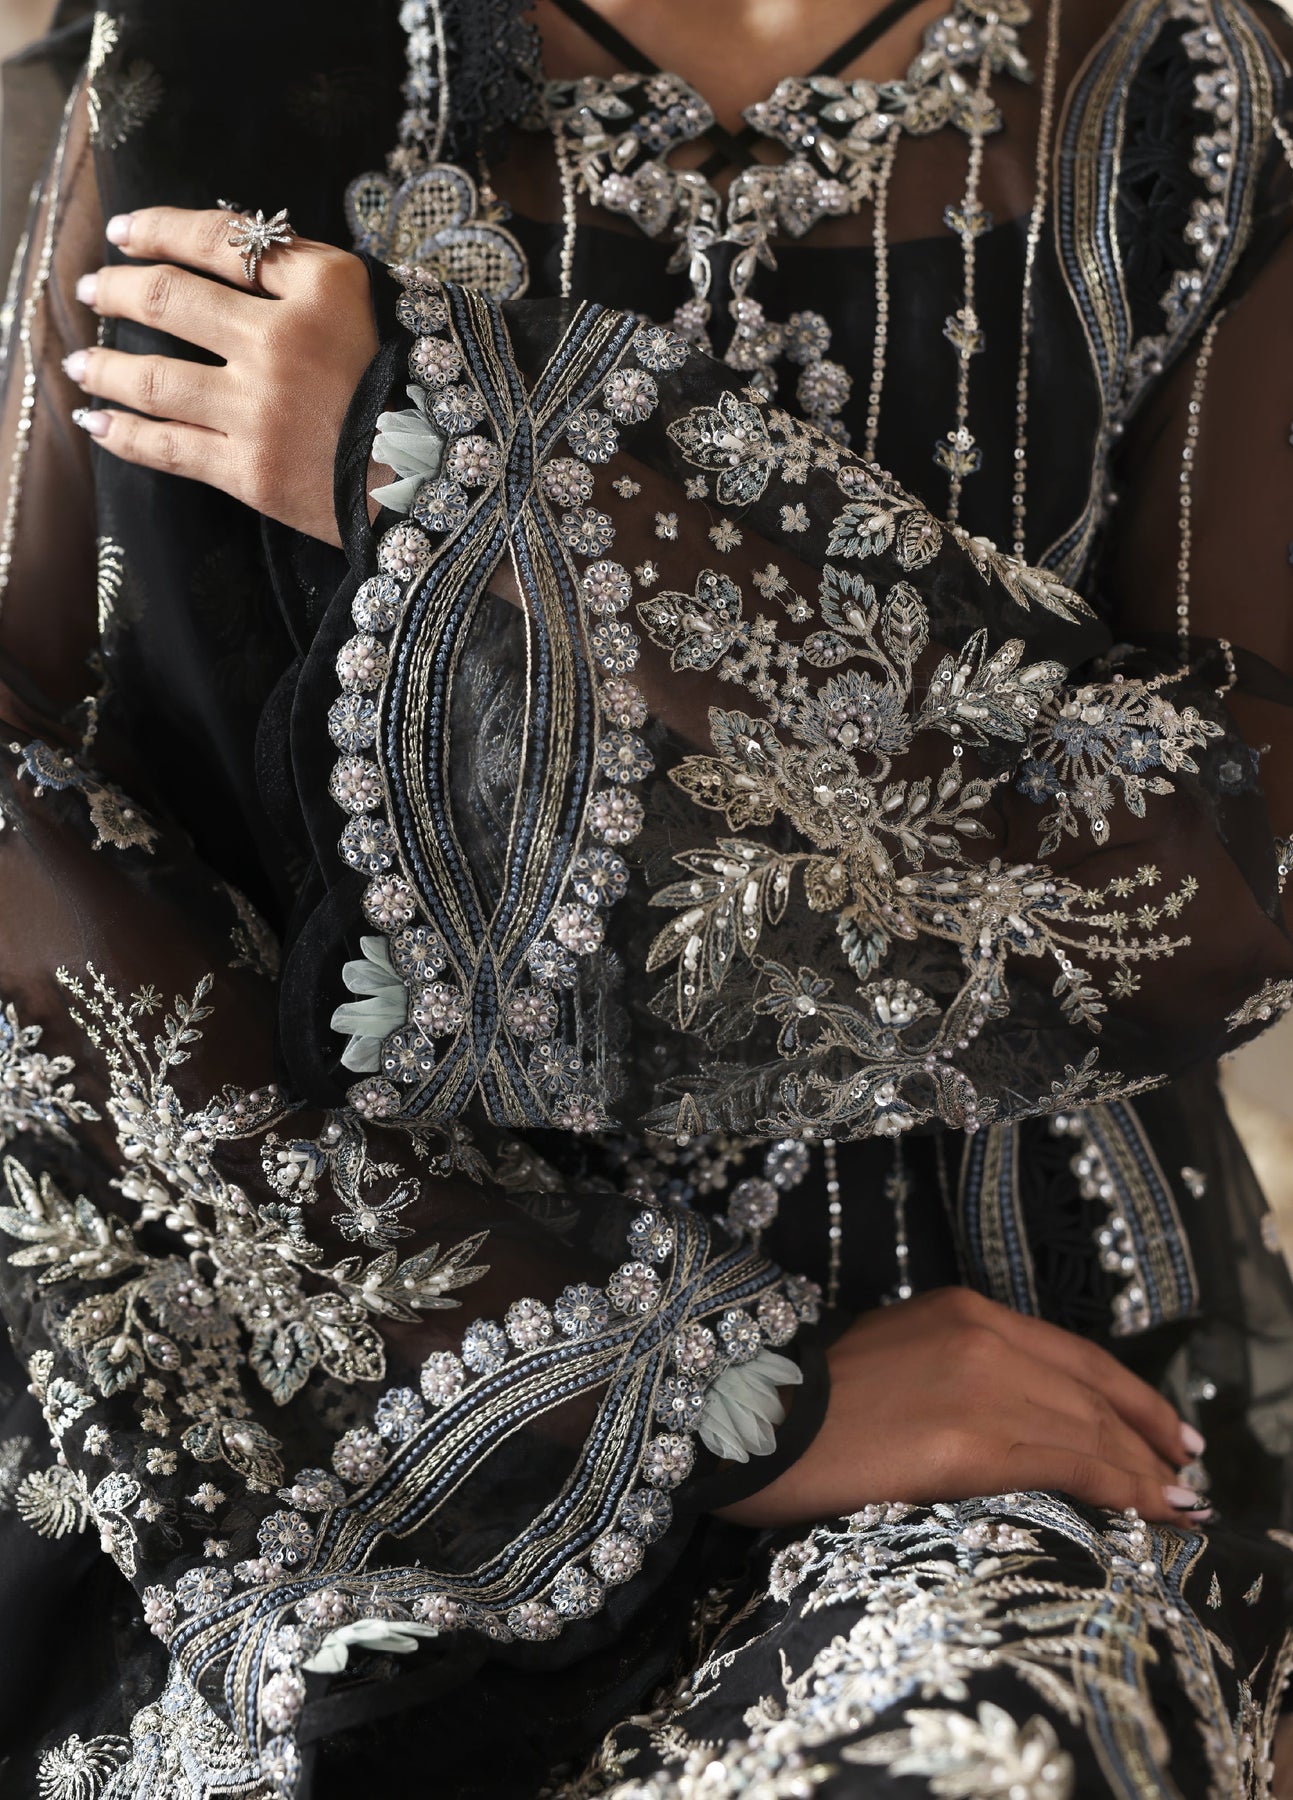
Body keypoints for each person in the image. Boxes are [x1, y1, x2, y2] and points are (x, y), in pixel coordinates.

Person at [2, 0, 1293, 1793]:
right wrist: (689, 1391)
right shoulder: (236, 51)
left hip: (1008, 1416)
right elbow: (31, 825)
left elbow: (1219, 879)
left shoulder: (1169, 84)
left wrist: (480, 471)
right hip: (336, 1431)